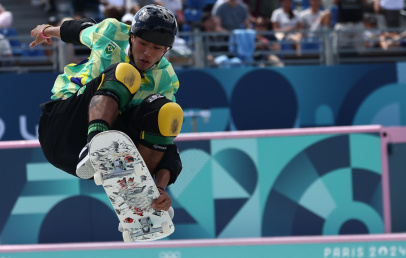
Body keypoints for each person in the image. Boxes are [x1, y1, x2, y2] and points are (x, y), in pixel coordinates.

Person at [29, 5, 183, 214]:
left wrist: (161, 187)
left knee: (168, 112)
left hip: (103, 155)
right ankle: (96, 145)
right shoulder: (111, 32)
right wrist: (45, 30)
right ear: (131, 36)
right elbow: (76, 30)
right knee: (125, 72)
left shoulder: (166, 78)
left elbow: (164, 142)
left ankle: (141, 196)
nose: (147, 53)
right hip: (62, 126)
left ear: (166, 50)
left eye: (156, 48)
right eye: (142, 43)